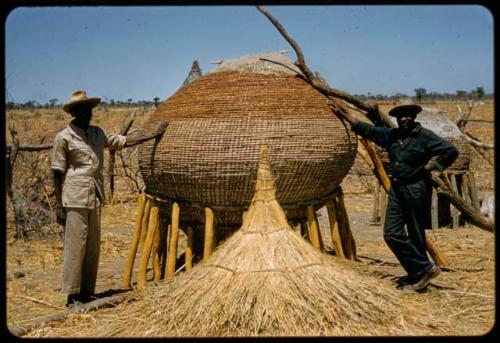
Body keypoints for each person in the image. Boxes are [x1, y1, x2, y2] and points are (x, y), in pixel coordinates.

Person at [51, 90, 167, 307]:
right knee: (76, 245)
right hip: (73, 197)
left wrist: (152, 135)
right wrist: (59, 206)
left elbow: (124, 141)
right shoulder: (64, 137)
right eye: (83, 111)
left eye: (90, 110)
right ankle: (72, 295)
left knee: (93, 245)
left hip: (94, 196)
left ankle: (87, 291)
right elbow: (57, 172)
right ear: (74, 113)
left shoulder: (98, 134)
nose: (87, 114)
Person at [341, 104, 458, 292]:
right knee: (391, 232)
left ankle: (419, 276)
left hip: (416, 188)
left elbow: (450, 151)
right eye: (400, 117)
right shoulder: (393, 135)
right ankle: (423, 269)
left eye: (408, 116)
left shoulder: (424, 136)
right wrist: (345, 115)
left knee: (416, 233)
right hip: (397, 189)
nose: (404, 119)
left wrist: (433, 166)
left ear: (414, 117)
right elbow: (369, 130)